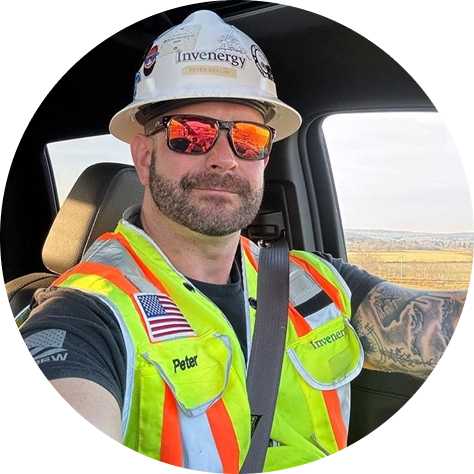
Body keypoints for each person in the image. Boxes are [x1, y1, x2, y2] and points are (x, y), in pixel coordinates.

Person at [19, 10, 464, 472]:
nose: (225, 159)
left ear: (264, 158)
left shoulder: (315, 281)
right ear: (145, 156)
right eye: (191, 134)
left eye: (248, 139)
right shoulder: (86, 314)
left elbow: (433, 324)